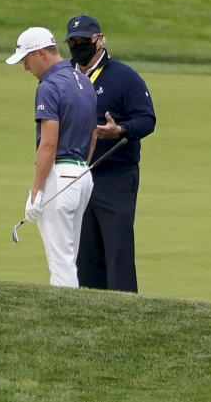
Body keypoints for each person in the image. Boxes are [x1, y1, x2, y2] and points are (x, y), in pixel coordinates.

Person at [64, 15, 156, 292]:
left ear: (100, 39)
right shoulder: (65, 76)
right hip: (78, 173)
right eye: (73, 42)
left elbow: (147, 120)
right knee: (85, 252)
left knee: (117, 250)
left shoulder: (124, 76)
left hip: (115, 175)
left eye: (84, 41)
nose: (79, 47)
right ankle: (91, 313)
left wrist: (119, 130)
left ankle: (125, 312)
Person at [6, 27, 97, 288]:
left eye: (26, 60)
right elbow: (92, 137)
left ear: (41, 54)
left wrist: (36, 190)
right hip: (82, 175)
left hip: (60, 176)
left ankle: (66, 321)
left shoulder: (48, 86)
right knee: (69, 257)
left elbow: (48, 143)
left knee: (61, 262)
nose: (26, 68)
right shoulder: (84, 82)